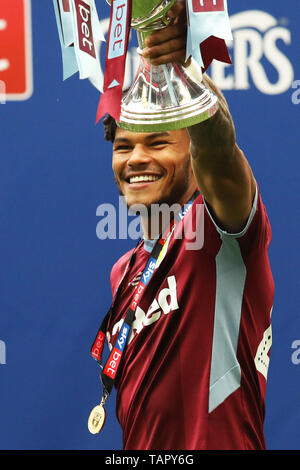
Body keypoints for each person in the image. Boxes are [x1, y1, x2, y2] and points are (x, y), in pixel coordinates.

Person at [99, 1, 274, 450]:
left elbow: (218, 149)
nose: (136, 159)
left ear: (192, 158)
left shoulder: (220, 232)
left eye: (158, 141)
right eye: (124, 147)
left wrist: (184, 76)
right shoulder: (124, 272)